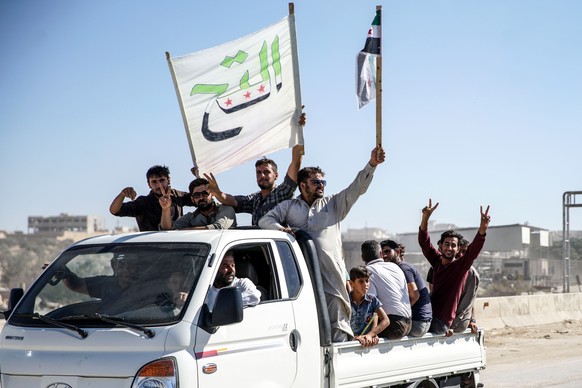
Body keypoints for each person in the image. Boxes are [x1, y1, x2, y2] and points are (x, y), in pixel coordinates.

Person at [259, 145, 386, 342]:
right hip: (303, 281)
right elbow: (265, 220)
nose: (321, 185)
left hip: (332, 281)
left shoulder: (333, 204)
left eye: (323, 181)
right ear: (302, 185)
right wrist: (282, 230)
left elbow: (357, 188)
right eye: (316, 181)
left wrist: (372, 165)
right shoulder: (289, 206)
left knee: (338, 330)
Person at [203, 113, 306, 226]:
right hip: (259, 243)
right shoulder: (255, 199)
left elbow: (296, 162)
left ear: (276, 176)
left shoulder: (282, 193)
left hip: (277, 242)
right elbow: (232, 201)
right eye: (258, 172)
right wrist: (217, 193)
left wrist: (298, 129)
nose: (262, 176)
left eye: (266, 172)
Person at [418, 198, 490, 336]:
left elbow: (474, 249)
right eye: (447, 244)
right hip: (429, 315)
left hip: (440, 322)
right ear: (441, 246)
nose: (449, 248)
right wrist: (425, 218)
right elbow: (424, 242)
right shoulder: (437, 262)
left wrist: (482, 229)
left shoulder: (460, 267)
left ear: (458, 249)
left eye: (453, 245)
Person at [109, 165, 193, 231]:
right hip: (152, 248)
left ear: (169, 180)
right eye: (154, 182)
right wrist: (122, 194)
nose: (159, 185)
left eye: (162, 180)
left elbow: (201, 200)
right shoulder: (143, 203)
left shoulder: (177, 195)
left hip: (178, 245)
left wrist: (199, 180)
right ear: (149, 184)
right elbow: (114, 210)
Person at [361, 240, 412, 340]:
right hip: (409, 324)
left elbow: (372, 306)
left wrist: (371, 333)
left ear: (362, 258)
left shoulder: (369, 271)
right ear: (381, 254)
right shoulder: (395, 267)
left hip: (394, 327)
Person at [381, 239, 432, 337]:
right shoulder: (400, 268)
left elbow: (415, 295)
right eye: (382, 253)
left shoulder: (403, 268)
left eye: (387, 251)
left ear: (397, 252)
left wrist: (401, 313)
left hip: (418, 322)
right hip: (422, 321)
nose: (384, 255)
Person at [160, 178, 237, 230]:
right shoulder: (191, 217)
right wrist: (165, 209)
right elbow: (168, 230)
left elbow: (219, 228)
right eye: (197, 195)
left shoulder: (226, 209)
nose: (201, 198)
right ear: (192, 199)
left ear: (212, 194)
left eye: (205, 194)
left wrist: (185, 230)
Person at [61, 253, 140, 303]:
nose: (126, 269)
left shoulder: (147, 286)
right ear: (113, 265)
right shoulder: (106, 284)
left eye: (131, 264)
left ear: (139, 267)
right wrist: (60, 269)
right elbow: (75, 285)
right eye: (121, 264)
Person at [348, 266, 389, 347]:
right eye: (361, 281)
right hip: (349, 343)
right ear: (351, 283)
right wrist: (353, 338)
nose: (365, 285)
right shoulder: (346, 300)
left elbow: (386, 320)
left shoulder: (372, 300)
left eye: (367, 281)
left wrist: (371, 334)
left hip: (366, 343)